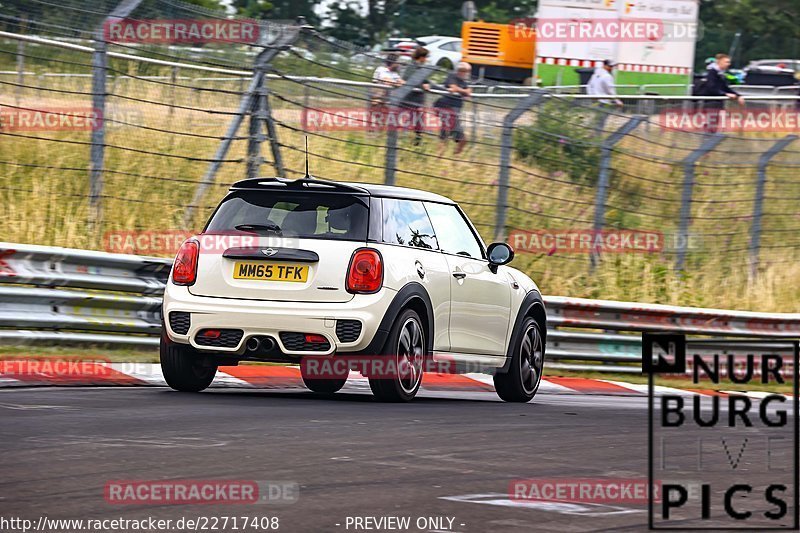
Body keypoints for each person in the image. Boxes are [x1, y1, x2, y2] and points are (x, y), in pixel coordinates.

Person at [694, 53, 745, 132]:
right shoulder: (712, 72)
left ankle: (709, 139)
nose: (728, 64)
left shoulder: (721, 73)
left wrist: (738, 96)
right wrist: (724, 94)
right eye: (726, 62)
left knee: (714, 123)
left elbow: (725, 87)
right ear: (719, 62)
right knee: (711, 123)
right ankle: (707, 140)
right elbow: (711, 87)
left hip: (717, 103)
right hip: (710, 102)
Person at [434, 61, 472, 155]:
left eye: (467, 71)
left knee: (445, 135)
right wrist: (464, 92)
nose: (467, 73)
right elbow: (453, 87)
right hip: (447, 108)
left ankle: (446, 158)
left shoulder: (463, 81)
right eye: (465, 71)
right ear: (460, 71)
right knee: (460, 138)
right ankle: (448, 158)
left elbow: (469, 91)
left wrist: (464, 92)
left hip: (455, 111)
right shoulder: (452, 76)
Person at [401, 47, 431, 145]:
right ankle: (403, 140)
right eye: (426, 57)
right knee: (408, 119)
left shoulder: (422, 67)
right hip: (410, 98)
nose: (426, 59)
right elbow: (408, 81)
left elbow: (425, 81)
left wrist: (428, 84)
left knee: (419, 120)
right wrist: (422, 86)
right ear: (421, 57)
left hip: (418, 99)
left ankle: (417, 141)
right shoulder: (411, 66)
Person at [369, 53, 402, 131]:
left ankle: (380, 130)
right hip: (378, 94)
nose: (399, 64)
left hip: (387, 97)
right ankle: (372, 128)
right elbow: (386, 81)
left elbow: (402, 82)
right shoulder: (381, 69)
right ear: (392, 62)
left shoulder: (395, 73)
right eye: (397, 62)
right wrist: (395, 83)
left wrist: (395, 83)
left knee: (385, 113)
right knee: (376, 111)